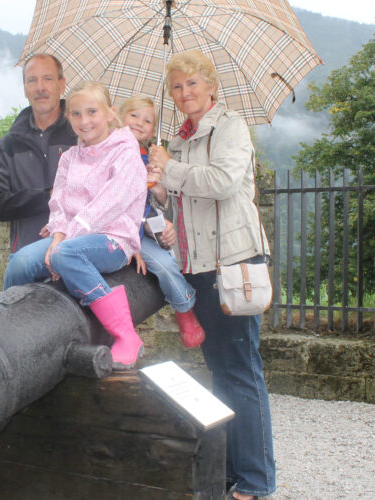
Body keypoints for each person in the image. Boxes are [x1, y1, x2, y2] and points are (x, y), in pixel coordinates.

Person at [147, 49, 275, 500]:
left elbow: (220, 182)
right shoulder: (179, 140)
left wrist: (172, 169)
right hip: (197, 268)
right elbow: (180, 206)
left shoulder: (230, 127)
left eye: (193, 84)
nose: (185, 93)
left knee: (241, 371)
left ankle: (257, 480)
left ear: (211, 86)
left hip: (234, 263)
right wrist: (160, 188)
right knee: (220, 373)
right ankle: (231, 468)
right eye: (177, 87)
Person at [3, 81, 147, 370]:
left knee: (66, 255)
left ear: (110, 114)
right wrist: (57, 236)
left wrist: (64, 243)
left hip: (112, 238)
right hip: (69, 237)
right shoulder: (69, 158)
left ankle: (127, 335)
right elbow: (58, 202)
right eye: (77, 114)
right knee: (19, 262)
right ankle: (12, 329)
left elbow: (111, 202)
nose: (85, 121)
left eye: (92, 112)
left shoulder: (125, 152)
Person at [118, 95, 205, 349]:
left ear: (153, 131)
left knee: (166, 265)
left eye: (147, 120)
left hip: (141, 226)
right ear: (119, 118)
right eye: (133, 115)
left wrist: (156, 186)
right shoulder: (108, 151)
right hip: (116, 229)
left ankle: (184, 307)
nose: (139, 122)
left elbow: (160, 201)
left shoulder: (150, 159)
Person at [0, 54, 78, 253]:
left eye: (48, 79)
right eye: (32, 80)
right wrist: (46, 198)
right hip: (26, 257)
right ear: (25, 88)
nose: (40, 87)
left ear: (62, 84)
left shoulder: (81, 135)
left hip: (76, 250)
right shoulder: (9, 146)